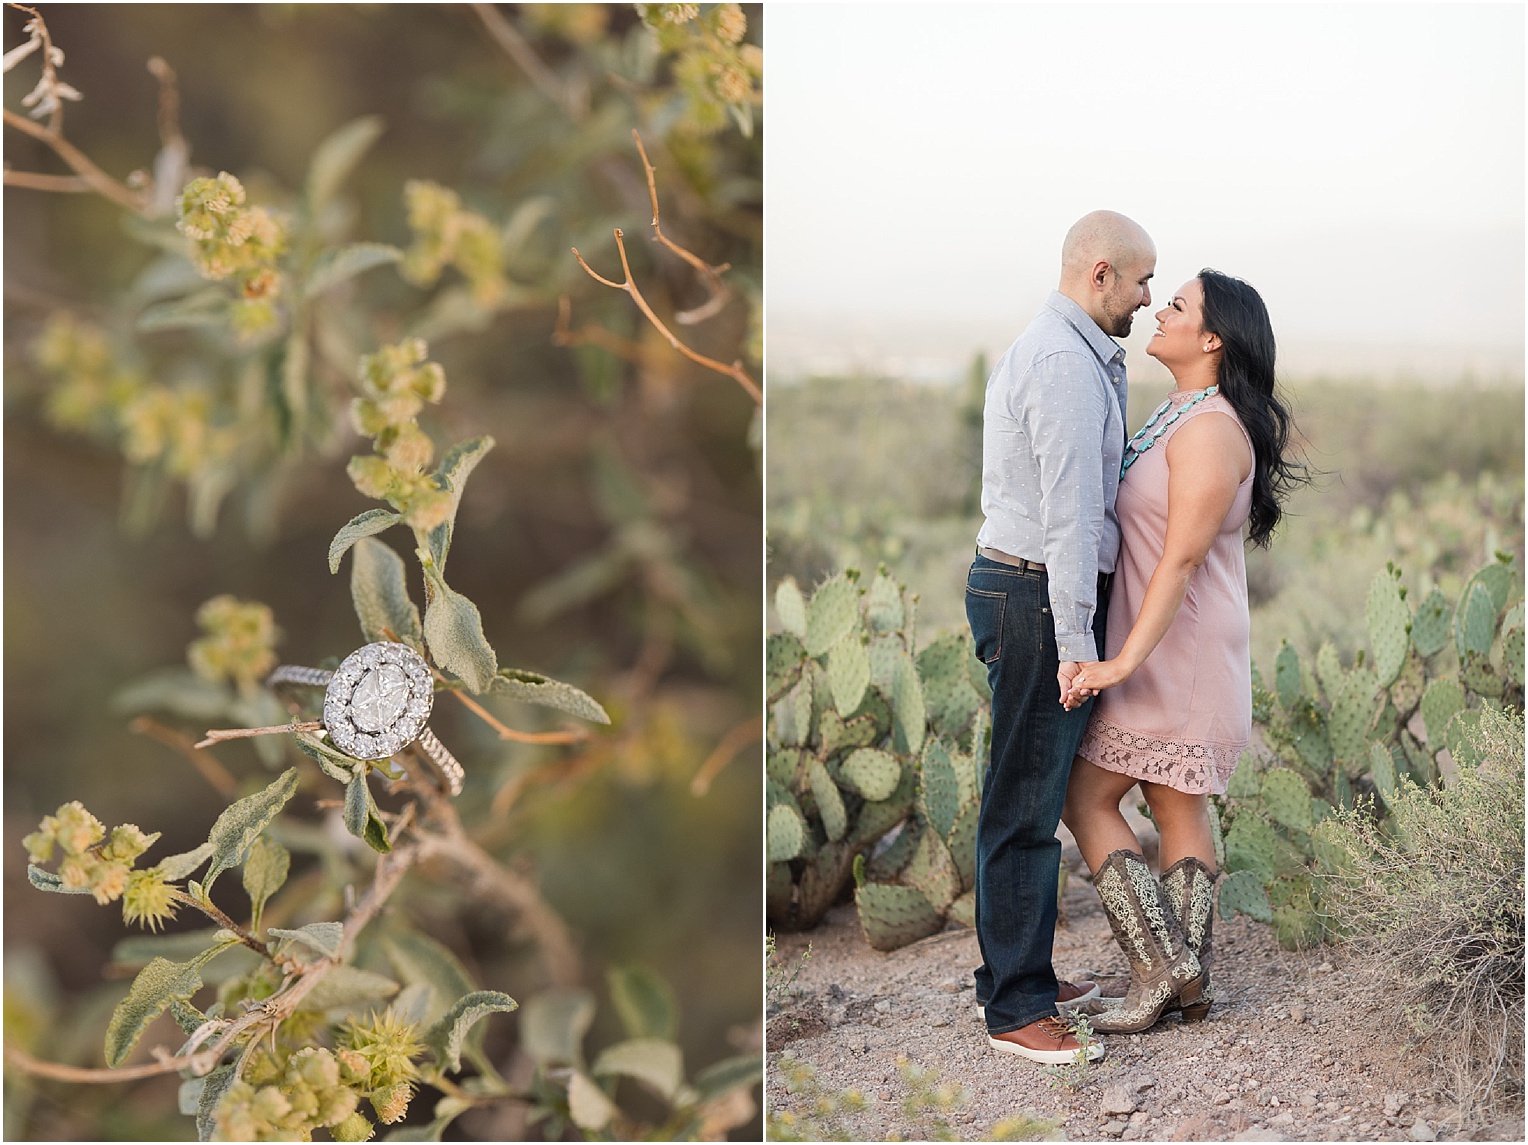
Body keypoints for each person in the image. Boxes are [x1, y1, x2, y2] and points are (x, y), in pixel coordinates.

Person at [1059, 269, 1306, 1034]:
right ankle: (1186, 987)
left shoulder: (1209, 429)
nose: (1158, 308)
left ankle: (1162, 963)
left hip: (1179, 649)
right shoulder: (1184, 412)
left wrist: (1119, 663)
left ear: (1211, 339)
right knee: (1174, 803)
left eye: (1177, 305)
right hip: (1166, 639)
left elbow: (1181, 559)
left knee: (1086, 797)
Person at [964, 210, 1155, 1064]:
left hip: (1036, 592)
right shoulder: (1064, 366)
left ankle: (1020, 977)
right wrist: (1077, 639)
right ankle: (1015, 1009)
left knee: (1029, 793)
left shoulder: (1073, 354)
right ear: (1102, 272)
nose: (1150, 299)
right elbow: (1072, 517)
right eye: (1143, 281)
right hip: (1039, 596)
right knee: (1026, 804)